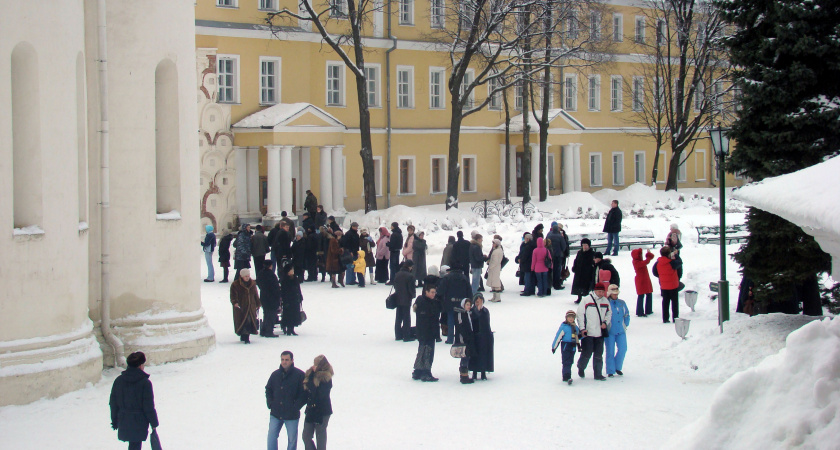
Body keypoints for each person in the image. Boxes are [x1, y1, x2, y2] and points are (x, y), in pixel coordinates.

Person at [110, 351, 159, 450]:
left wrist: (114, 420)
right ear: (140, 366)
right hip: (139, 421)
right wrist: (154, 423)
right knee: (135, 445)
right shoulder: (145, 383)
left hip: (124, 419)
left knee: (133, 445)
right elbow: (148, 406)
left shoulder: (118, 381)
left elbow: (113, 403)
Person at [266, 350, 306, 450]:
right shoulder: (275, 375)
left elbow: (305, 393)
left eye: (287, 360)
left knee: (292, 440)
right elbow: (268, 389)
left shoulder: (300, 375)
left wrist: (296, 406)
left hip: (291, 415)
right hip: (276, 413)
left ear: (292, 360)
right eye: (282, 359)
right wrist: (270, 403)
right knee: (271, 437)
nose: (284, 362)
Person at [576, 282, 611, 381]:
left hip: (600, 333)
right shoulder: (586, 300)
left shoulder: (605, 301)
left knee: (599, 354)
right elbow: (580, 314)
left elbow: (609, 313)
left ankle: (598, 373)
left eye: (602, 291)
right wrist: (582, 328)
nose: (601, 293)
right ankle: (581, 367)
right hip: (588, 333)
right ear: (595, 290)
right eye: (599, 291)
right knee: (587, 353)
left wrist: (605, 322)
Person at [302, 355, 333, 450]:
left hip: (322, 411)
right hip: (311, 409)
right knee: (306, 436)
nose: (314, 366)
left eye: (317, 364)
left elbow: (319, 393)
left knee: (320, 438)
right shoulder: (311, 375)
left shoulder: (326, 378)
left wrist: (310, 381)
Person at [412, 284, 442, 382]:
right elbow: (430, 319)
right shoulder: (427, 303)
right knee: (428, 352)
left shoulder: (422, 301)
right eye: (432, 292)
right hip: (427, 332)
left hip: (423, 332)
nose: (434, 294)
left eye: (435, 292)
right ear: (426, 292)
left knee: (421, 351)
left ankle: (418, 371)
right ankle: (426, 372)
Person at [437, 265, 472, 344]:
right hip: (462, 303)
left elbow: (440, 290)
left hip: (450, 303)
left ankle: (450, 339)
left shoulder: (447, 278)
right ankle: (459, 339)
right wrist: (470, 301)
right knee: (461, 321)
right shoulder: (464, 278)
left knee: (451, 321)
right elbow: (469, 291)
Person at [652, 246, 682, 323]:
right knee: (674, 303)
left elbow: (654, 272)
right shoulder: (672, 263)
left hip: (664, 285)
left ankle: (665, 318)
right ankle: (675, 317)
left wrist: (661, 276)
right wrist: (676, 255)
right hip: (673, 285)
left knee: (665, 302)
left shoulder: (658, 263)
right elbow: (680, 262)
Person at [605, 284, 630, 377]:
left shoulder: (621, 303)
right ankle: (610, 370)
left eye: (616, 294)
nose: (615, 295)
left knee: (623, 349)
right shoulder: (606, 303)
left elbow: (626, 314)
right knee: (610, 351)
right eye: (613, 294)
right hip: (610, 331)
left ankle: (617, 367)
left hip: (621, 330)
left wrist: (625, 324)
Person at [230, 268, 261, 344]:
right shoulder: (235, 284)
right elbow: (233, 295)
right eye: (246, 276)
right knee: (242, 321)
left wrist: (258, 303)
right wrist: (235, 302)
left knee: (249, 321)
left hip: (251, 306)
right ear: (241, 276)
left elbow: (255, 294)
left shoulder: (252, 283)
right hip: (241, 307)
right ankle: (244, 335)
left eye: (248, 276)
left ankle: (246, 336)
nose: (247, 277)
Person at [469, 293, 494, 380]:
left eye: (480, 301)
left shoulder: (486, 311)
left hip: (484, 336)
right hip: (475, 337)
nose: (478, 303)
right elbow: (473, 319)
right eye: (476, 301)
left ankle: (483, 372)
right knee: (474, 356)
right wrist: (477, 311)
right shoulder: (472, 311)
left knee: (484, 355)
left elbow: (486, 323)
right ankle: (474, 373)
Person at [551, 310, 581, 385]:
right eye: (569, 317)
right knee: (566, 361)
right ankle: (566, 376)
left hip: (573, 345)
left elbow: (578, 336)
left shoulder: (575, 327)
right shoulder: (564, 327)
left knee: (570, 361)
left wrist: (584, 335)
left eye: (572, 317)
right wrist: (554, 347)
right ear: (566, 318)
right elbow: (558, 337)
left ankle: (567, 375)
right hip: (566, 345)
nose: (571, 319)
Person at [257, 260, 281, 338]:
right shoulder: (271, 275)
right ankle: (269, 331)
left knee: (266, 314)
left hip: (264, 296)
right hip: (271, 298)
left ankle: (264, 330)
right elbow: (275, 287)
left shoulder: (261, 274)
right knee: (271, 315)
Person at [393, 260, 416, 341]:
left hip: (398, 298)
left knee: (398, 317)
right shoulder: (410, 276)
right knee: (406, 317)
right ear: (409, 267)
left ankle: (398, 335)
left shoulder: (397, 274)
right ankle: (407, 336)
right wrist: (412, 295)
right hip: (406, 299)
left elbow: (395, 286)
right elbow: (411, 289)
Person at [454, 298, 475, 384]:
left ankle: (465, 374)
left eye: (470, 305)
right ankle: (463, 376)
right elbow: (460, 326)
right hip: (462, 338)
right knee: (464, 357)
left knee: (466, 356)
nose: (469, 307)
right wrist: (465, 336)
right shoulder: (460, 314)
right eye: (467, 305)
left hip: (468, 338)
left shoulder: (468, 314)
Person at [280, 261, 304, 336]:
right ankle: (288, 328)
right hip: (289, 300)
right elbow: (284, 291)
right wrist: (285, 300)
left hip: (295, 299)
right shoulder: (285, 280)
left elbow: (298, 288)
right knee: (288, 315)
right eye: (291, 270)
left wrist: (300, 296)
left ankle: (292, 329)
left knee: (295, 314)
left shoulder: (295, 278)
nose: (292, 271)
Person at [631, 248, 656, 317]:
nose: (641, 255)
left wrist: (648, 255)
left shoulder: (638, 261)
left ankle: (647, 310)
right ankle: (640, 312)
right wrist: (648, 255)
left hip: (644, 279)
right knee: (641, 295)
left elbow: (647, 261)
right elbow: (647, 261)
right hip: (641, 280)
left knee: (648, 293)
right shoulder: (636, 262)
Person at [571, 238, 596, 304]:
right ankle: (579, 298)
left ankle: (588, 299)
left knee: (586, 286)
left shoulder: (592, 254)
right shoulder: (579, 252)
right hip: (579, 272)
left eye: (586, 245)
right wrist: (574, 267)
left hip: (587, 273)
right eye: (583, 245)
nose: (584, 247)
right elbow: (576, 261)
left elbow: (594, 263)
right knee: (579, 286)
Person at [546, 222, 567, 290]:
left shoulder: (549, 235)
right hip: (558, 255)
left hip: (550, 255)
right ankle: (557, 284)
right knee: (557, 270)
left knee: (550, 269)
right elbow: (564, 246)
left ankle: (550, 283)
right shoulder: (560, 237)